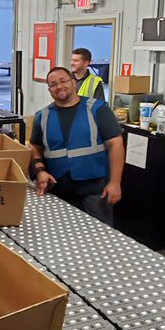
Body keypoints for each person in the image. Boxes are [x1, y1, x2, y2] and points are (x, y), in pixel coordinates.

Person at [30, 66, 124, 226]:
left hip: (94, 192)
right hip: (59, 191)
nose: (59, 86)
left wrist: (115, 183)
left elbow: (116, 144)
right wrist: (40, 170)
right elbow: (35, 146)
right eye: (53, 84)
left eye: (63, 81)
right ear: (49, 89)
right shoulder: (42, 116)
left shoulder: (97, 109)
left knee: (99, 235)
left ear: (74, 82)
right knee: (61, 235)